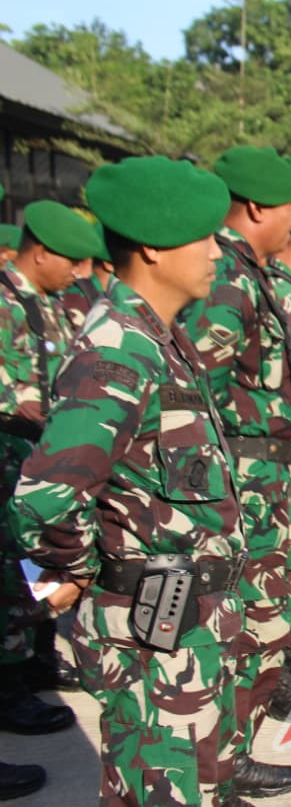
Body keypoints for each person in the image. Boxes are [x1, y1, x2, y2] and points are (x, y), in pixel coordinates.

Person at [6, 156, 249, 805]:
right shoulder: (116, 350)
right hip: (150, 625)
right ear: (152, 245)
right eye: (201, 236)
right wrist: (79, 571)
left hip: (185, 620)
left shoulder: (156, 337)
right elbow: (45, 496)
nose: (214, 253)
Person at [183, 145, 291, 799]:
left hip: (262, 480)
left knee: (264, 623)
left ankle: (232, 758)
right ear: (259, 206)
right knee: (239, 629)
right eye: (290, 204)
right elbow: (184, 395)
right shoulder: (227, 277)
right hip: (240, 482)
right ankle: (219, 768)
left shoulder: (245, 270)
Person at [1, 201, 100, 733]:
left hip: (39, 458)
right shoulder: (4, 303)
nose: (79, 272)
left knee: (37, 565)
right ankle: (10, 687)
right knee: (11, 572)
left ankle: (37, 658)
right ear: (40, 253)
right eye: (72, 261)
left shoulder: (50, 301)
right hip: (9, 455)